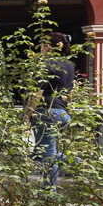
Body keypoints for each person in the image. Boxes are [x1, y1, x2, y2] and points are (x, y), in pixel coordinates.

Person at [32, 32, 74, 189]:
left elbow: (38, 93)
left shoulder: (46, 64)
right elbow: (70, 93)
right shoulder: (69, 65)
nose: (41, 48)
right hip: (62, 113)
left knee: (48, 155)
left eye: (43, 45)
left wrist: (28, 114)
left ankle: (50, 192)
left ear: (49, 46)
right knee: (42, 152)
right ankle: (81, 163)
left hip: (47, 112)